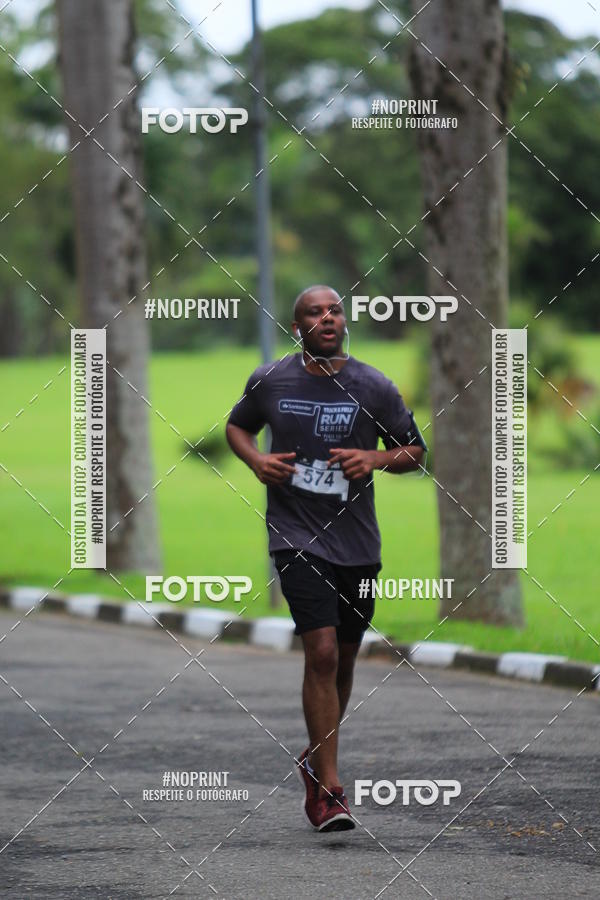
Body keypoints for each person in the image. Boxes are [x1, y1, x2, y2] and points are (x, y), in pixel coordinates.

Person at [226, 285, 426, 832]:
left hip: (358, 545)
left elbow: (415, 451)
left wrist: (376, 457)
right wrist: (256, 460)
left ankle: (315, 761)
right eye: (315, 312)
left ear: (345, 322)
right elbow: (236, 426)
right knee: (319, 652)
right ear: (299, 328)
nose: (327, 318)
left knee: (342, 657)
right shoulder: (271, 380)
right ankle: (330, 790)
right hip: (295, 536)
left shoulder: (373, 385)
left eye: (335, 310)